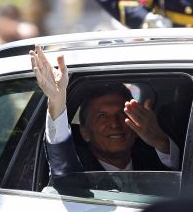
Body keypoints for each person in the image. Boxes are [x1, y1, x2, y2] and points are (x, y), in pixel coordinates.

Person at [29, 45, 179, 178]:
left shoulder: (151, 158)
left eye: (122, 114)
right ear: (85, 132)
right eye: (102, 116)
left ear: (136, 127)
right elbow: (63, 166)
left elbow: (188, 174)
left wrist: (159, 140)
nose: (114, 124)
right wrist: (57, 100)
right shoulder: (80, 173)